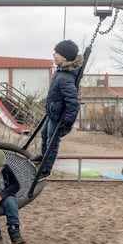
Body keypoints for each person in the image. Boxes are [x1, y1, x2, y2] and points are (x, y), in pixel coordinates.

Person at [31, 39, 84, 179]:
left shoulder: (65, 77)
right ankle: (43, 158)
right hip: (52, 113)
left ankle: (46, 168)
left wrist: (67, 124)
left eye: (57, 53)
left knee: (52, 141)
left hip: (58, 117)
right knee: (44, 135)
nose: (53, 54)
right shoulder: (60, 72)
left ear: (64, 57)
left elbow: (73, 103)